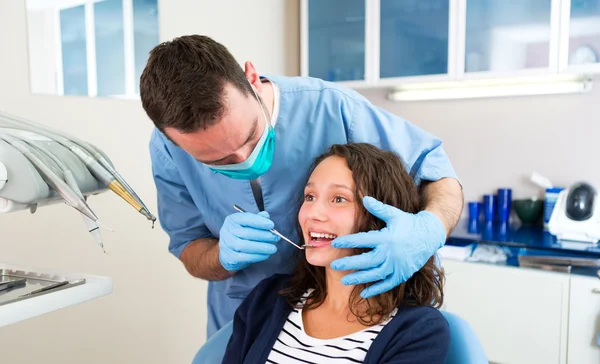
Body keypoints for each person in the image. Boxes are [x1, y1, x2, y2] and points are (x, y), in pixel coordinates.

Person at [140, 34, 463, 338]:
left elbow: (434, 171)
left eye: (251, 136)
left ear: (251, 79)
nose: (244, 158)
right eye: (219, 160)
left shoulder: (334, 108)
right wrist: (220, 256)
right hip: (242, 316)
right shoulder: (168, 150)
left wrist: (429, 230)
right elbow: (189, 246)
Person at [222, 143, 450, 364]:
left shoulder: (419, 331)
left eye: (339, 199)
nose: (313, 213)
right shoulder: (268, 298)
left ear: (384, 216)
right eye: (310, 197)